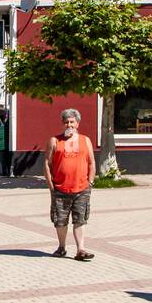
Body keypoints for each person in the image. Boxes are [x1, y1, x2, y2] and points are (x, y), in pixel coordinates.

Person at [43, 108, 96, 260]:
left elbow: (92, 163)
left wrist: (90, 182)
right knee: (60, 220)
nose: (69, 125)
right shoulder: (54, 141)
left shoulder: (85, 141)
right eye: (66, 122)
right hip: (60, 188)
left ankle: (81, 250)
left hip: (82, 188)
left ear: (77, 124)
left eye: (72, 122)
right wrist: (51, 186)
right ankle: (61, 247)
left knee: (80, 219)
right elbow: (47, 163)